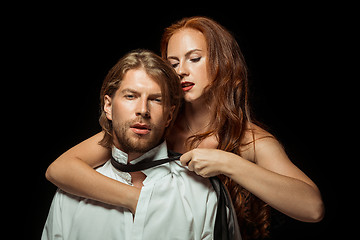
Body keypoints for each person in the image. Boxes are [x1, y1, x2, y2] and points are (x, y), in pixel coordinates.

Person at [46, 17, 324, 239]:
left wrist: (228, 163)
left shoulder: (246, 139)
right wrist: (138, 200)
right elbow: (61, 169)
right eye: (173, 62)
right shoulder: (155, 124)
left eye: (194, 58)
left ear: (221, 63)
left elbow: (312, 208)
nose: (181, 71)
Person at [42, 49, 219, 240]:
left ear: (169, 115)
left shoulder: (200, 194)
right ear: (108, 106)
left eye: (155, 99)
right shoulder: (69, 196)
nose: (143, 110)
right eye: (130, 96)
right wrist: (137, 199)